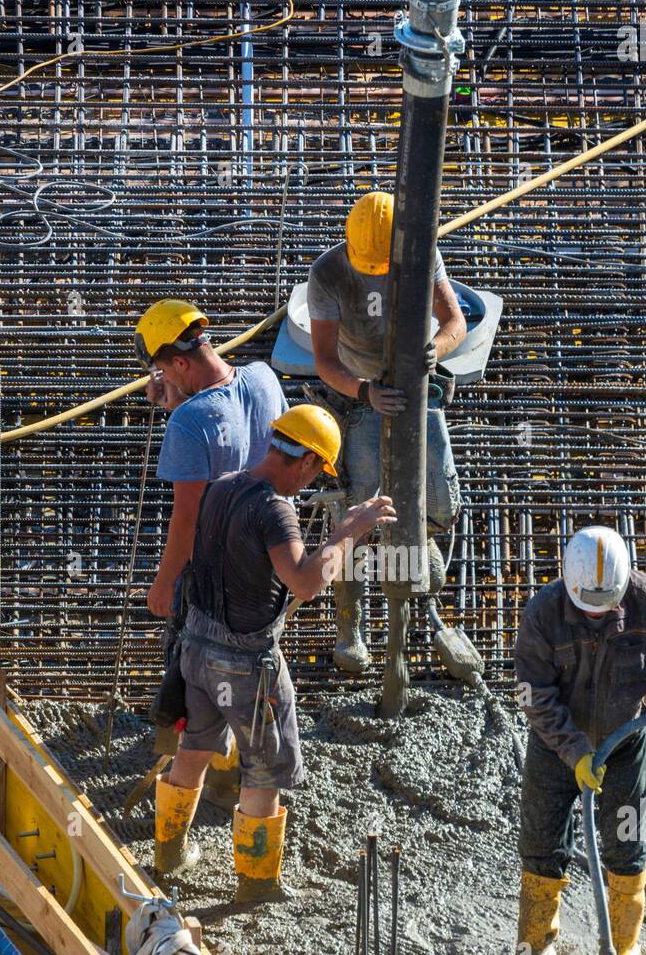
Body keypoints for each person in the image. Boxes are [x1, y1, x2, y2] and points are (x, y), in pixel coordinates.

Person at [153, 404, 396, 898]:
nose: (310, 483)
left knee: (194, 747)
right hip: (244, 665)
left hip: (195, 649)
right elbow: (304, 582)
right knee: (264, 765)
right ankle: (256, 883)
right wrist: (348, 532)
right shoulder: (273, 509)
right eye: (316, 471)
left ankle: (169, 853)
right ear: (305, 459)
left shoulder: (222, 486)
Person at [512, 525, 646, 955]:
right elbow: (533, 693)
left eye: (606, 608)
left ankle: (623, 947)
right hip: (557, 743)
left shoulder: (645, 597)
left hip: (626, 741)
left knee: (625, 842)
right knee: (541, 839)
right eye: (588, 609)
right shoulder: (542, 614)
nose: (597, 616)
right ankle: (536, 940)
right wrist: (576, 751)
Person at [307, 190, 467, 671]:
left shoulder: (422, 255)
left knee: (441, 505)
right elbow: (324, 361)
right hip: (362, 389)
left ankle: (424, 571)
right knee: (357, 514)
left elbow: (455, 321)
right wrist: (363, 393)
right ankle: (350, 627)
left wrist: (435, 350)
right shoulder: (329, 273)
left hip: (416, 387)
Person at [134, 298, 287, 619]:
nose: (165, 379)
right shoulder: (264, 377)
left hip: (218, 577)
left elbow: (189, 516)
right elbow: (230, 431)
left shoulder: (187, 421)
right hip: (269, 562)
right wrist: (178, 399)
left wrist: (165, 582)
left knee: (198, 663)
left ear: (180, 363)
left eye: (164, 370)